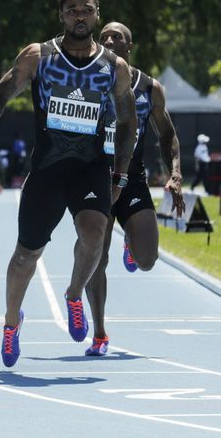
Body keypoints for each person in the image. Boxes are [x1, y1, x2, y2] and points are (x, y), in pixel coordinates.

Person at [0, 0, 137, 367]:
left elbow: (127, 122)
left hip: (91, 167)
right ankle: (12, 322)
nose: (81, 15)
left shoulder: (114, 67)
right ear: (62, 15)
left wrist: (121, 174)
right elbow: (0, 93)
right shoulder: (39, 56)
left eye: (87, 9)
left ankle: (74, 294)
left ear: (97, 14)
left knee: (95, 238)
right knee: (27, 254)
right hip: (46, 169)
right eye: (73, 10)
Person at [83, 22, 185, 356]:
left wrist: (176, 175)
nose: (109, 40)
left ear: (130, 46)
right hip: (96, 178)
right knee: (97, 256)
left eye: (117, 37)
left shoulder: (149, 88)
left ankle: (131, 240)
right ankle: (99, 332)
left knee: (147, 261)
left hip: (132, 179)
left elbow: (167, 135)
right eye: (104, 37)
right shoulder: (85, 81)